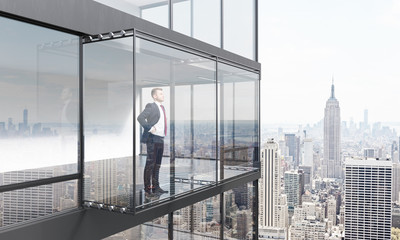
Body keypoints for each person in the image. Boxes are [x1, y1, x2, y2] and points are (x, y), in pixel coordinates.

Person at [137, 88, 168, 196]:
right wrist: (149, 128)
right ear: (154, 96)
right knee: (150, 164)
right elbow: (140, 118)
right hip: (153, 138)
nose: (163, 95)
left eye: (163, 93)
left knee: (157, 164)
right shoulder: (151, 106)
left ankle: (156, 187)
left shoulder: (162, 107)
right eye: (160, 94)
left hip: (160, 138)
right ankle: (147, 189)